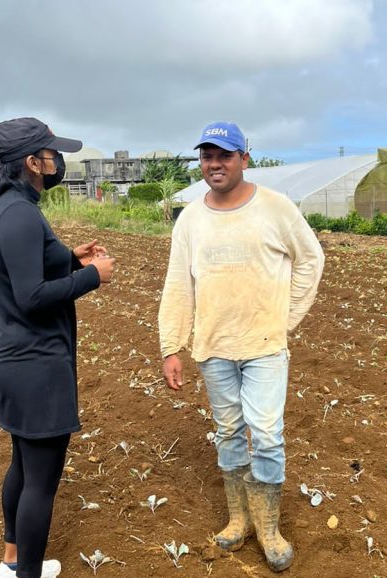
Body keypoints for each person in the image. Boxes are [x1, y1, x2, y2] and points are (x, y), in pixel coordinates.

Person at [158, 121, 324, 572]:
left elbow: (311, 259)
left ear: (243, 159)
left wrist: (285, 319)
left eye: (224, 155)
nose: (215, 164)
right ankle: (239, 519)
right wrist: (172, 345)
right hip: (213, 348)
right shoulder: (191, 218)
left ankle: (269, 528)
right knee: (229, 432)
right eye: (207, 156)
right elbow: (178, 284)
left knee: (267, 435)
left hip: (265, 346)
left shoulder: (275, 208)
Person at [0, 117, 115, 578]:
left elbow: (29, 262)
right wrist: (92, 276)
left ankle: (13, 562)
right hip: (32, 363)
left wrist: (69, 257)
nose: (58, 162)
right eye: (51, 154)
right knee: (41, 480)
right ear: (32, 162)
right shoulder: (17, 213)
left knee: (23, 463)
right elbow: (30, 296)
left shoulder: (13, 205)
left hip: (18, 358)